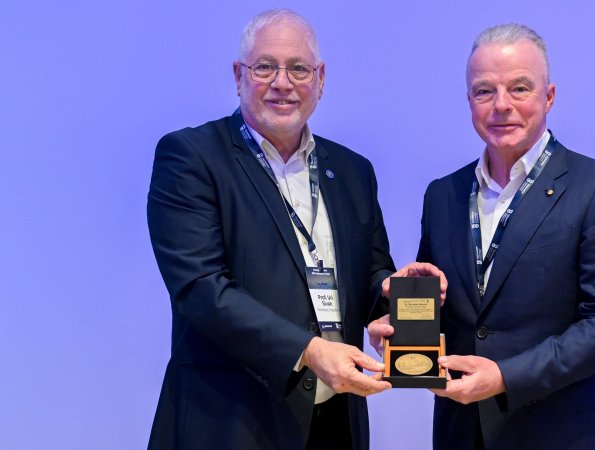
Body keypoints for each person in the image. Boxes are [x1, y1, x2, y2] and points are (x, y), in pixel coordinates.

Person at [146, 9, 443, 450]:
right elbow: (201, 290)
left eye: (298, 68)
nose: (282, 82)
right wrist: (309, 350)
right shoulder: (191, 157)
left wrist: (389, 303)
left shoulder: (353, 171)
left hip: (336, 422)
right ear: (239, 75)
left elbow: (370, 274)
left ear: (320, 79)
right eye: (265, 66)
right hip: (229, 424)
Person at [373, 23, 595, 449]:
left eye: (519, 88)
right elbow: (453, 313)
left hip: (559, 434)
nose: (501, 106)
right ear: (469, 101)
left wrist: (503, 378)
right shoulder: (443, 194)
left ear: (548, 96)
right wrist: (400, 330)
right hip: (460, 433)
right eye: (484, 91)